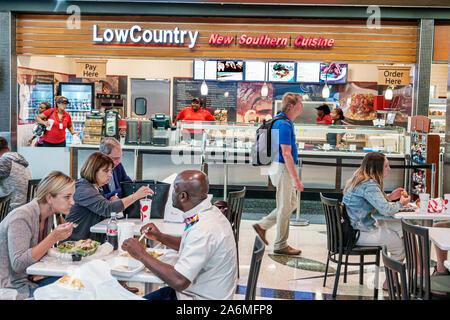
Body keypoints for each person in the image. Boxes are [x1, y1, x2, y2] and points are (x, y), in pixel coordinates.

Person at [122, 170, 237, 300]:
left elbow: (179, 281)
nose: (171, 194)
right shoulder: (211, 213)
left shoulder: (203, 228)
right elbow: (192, 244)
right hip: (201, 292)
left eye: (174, 189)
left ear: (183, 196)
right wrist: (160, 236)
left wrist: (141, 254)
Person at [0, 171, 75, 300]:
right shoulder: (21, 217)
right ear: (49, 198)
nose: (72, 202)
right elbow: (18, 263)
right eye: (67, 197)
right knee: (75, 290)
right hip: (10, 288)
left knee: (78, 280)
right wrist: (53, 237)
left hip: (29, 279)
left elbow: (37, 254)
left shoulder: (47, 215)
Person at [342, 152, 410, 289]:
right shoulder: (369, 184)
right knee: (401, 246)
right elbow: (386, 210)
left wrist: (390, 197)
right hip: (359, 233)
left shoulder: (359, 179)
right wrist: (401, 203)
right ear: (377, 169)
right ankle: (390, 282)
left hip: (351, 229)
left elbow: (375, 203)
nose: (389, 169)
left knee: (399, 227)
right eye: (386, 166)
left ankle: (415, 271)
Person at [252, 93, 304, 255]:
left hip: (279, 167)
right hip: (282, 167)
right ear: (291, 106)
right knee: (284, 207)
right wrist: (296, 179)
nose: (302, 106)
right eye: (300, 103)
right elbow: (286, 153)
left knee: (291, 204)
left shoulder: (283, 121)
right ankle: (281, 244)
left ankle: (263, 225)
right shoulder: (284, 124)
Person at [66, 152, 153, 242]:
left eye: (110, 171)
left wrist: (110, 201)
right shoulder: (83, 189)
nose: (110, 175)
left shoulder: (96, 188)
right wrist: (135, 196)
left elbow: (103, 208)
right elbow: (108, 209)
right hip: (74, 246)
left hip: (88, 243)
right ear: (93, 170)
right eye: (106, 171)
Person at [0, 137, 32, 210]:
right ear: (8, 148)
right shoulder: (19, 160)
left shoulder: (4, 161)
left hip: (12, 210)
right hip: (26, 207)